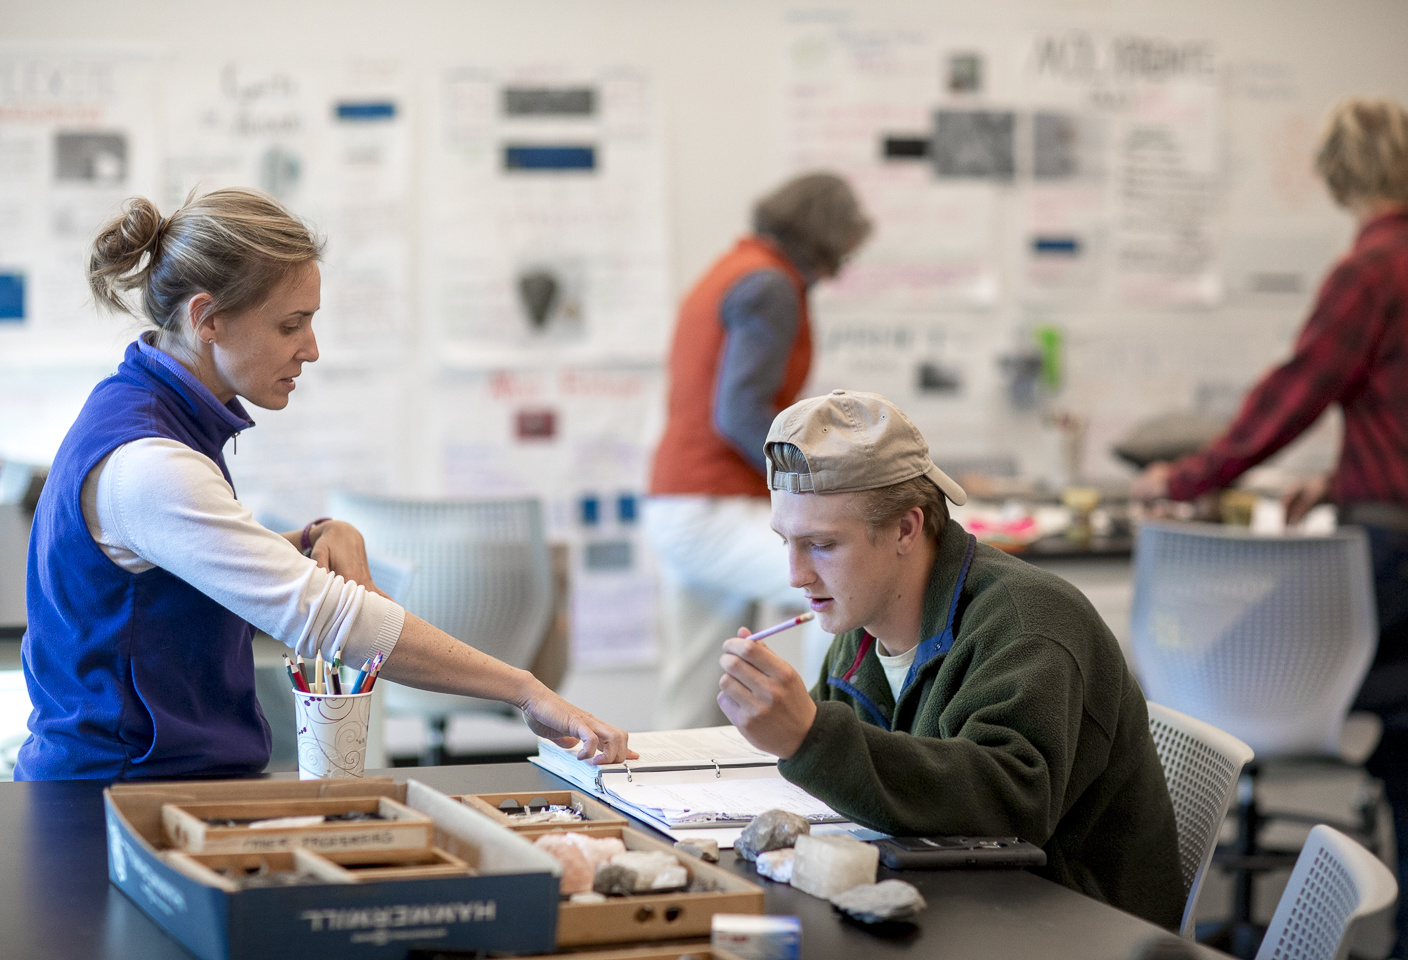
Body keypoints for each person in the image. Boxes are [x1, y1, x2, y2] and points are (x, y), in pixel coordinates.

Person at [16, 188, 631, 781]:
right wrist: (524, 691)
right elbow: (335, 622)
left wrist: (310, 539)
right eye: (291, 325)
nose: (310, 349)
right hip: (111, 797)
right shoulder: (150, 463)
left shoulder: (145, 410)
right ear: (207, 318)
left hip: (149, 779)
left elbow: (175, 571)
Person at [1130, 97, 1408, 960]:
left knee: (1192, 670)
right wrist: (1337, 479)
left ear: (1341, 175)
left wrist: (1185, 478)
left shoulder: (1368, 270)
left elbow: (1294, 393)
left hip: (1381, 547)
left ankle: (1148, 914)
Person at [716, 389, 1186, 928]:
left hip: (1073, 929)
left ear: (906, 528)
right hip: (958, 908)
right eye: (787, 543)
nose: (796, 575)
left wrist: (809, 737)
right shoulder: (861, 621)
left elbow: (1010, 809)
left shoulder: (1030, 624)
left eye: (821, 545)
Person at [645, 172, 871, 729]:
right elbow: (741, 413)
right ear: (829, 238)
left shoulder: (731, 270)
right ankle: (838, 743)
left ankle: (657, 808)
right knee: (847, 583)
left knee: (696, 697)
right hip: (711, 505)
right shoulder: (769, 285)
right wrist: (823, 480)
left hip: (681, 502)